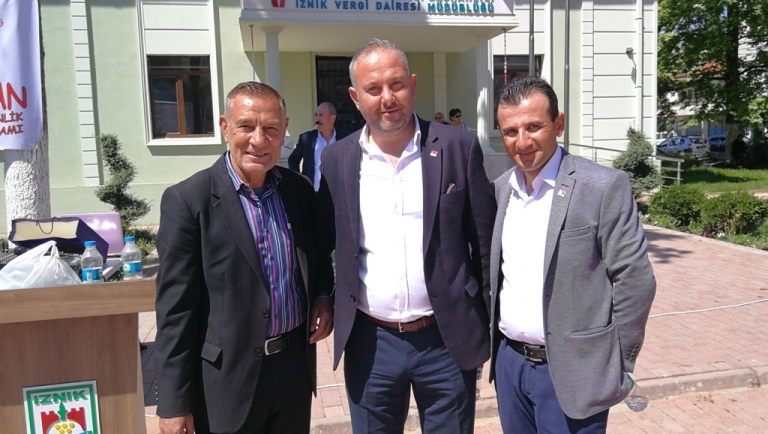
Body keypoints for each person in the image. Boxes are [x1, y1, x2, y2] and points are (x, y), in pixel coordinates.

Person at [320, 39, 496, 434]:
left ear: (412, 85)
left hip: (445, 339)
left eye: (396, 84)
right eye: (373, 88)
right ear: (355, 97)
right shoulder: (337, 160)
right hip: (370, 343)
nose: (387, 98)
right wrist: (321, 297)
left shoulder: (458, 147)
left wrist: (487, 325)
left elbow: (484, 244)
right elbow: (323, 241)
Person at [154, 81, 335, 434]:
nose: (258, 140)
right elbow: (176, 312)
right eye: (246, 126)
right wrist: (174, 403)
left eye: (271, 129)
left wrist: (323, 296)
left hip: (293, 373)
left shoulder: (298, 192)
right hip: (227, 381)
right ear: (225, 127)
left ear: (284, 131)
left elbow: (317, 257)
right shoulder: (189, 201)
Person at [489, 77, 656, 433]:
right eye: (510, 131)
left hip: (576, 372)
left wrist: (618, 362)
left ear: (559, 124)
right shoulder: (500, 192)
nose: (522, 141)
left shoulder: (601, 187)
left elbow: (636, 279)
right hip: (510, 366)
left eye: (534, 127)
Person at [289, 102, 351, 191]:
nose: (317, 119)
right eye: (316, 115)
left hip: (338, 193)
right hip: (313, 193)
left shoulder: (345, 138)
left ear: (332, 118)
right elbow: (293, 159)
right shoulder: (307, 139)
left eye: (321, 115)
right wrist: (298, 180)